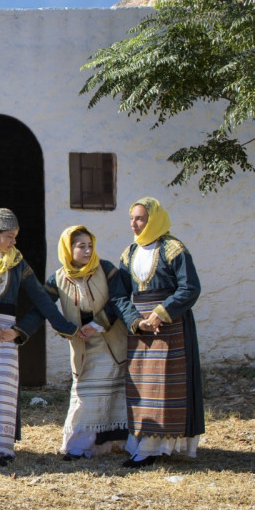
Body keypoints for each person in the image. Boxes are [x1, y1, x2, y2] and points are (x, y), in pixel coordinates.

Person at [0, 208, 79, 466]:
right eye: (10, 236)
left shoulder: (17, 262)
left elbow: (41, 299)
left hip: (6, 335)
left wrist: (61, 327)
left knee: (4, 390)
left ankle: (2, 449)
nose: (14, 242)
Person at [23, 226, 129, 460]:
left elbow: (119, 300)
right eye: (81, 246)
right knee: (84, 395)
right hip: (82, 346)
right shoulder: (58, 279)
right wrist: (21, 332)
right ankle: (78, 448)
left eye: (90, 246)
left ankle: (111, 445)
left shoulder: (106, 270)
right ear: (68, 248)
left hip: (110, 342)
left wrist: (98, 323)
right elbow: (44, 307)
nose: (87, 251)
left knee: (111, 396)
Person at [114, 198, 203, 468]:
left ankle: (155, 446)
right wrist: (136, 321)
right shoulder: (128, 253)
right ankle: (142, 441)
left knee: (165, 386)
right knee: (141, 384)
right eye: (132, 219)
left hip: (170, 326)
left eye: (140, 218)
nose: (134, 224)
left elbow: (190, 288)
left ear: (153, 219)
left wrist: (161, 313)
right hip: (141, 329)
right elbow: (119, 295)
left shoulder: (173, 249)